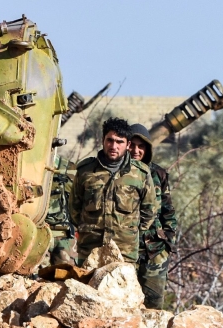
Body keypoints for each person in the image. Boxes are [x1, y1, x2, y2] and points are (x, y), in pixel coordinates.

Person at [69, 117, 158, 265]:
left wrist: (130, 233)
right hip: (90, 252)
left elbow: (150, 210)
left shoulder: (140, 173)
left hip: (125, 252)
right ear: (103, 140)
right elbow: (74, 209)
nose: (114, 146)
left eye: (119, 142)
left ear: (128, 144)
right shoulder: (85, 170)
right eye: (110, 140)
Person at [128, 123, 177, 309]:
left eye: (141, 146)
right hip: (126, 249)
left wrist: (168, 241)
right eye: (132, 145)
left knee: (154, 306)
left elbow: (168, 211)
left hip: (154, 250)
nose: (136, 150)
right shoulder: (116, 173)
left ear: (147, 149)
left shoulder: (158, 174)